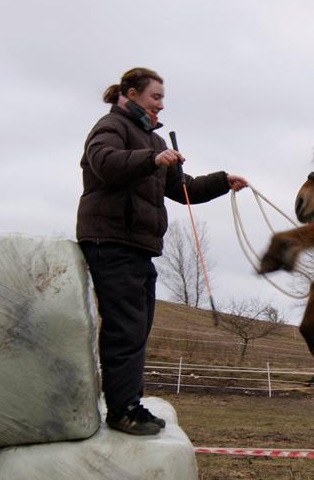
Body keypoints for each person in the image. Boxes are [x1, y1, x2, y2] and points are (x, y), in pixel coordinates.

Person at [77, 67, 247, 436]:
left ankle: (130, 404)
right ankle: (121, 410)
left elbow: (181, 188)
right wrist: (151, 160)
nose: (161, 104)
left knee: (138, 328)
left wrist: (222, 181)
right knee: (125, 328)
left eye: (162, 98)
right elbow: (104, 163)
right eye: (156, 96)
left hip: (140, 246)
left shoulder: (152, 141)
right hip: (110, 240)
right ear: (132, 93)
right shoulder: (111, 127)